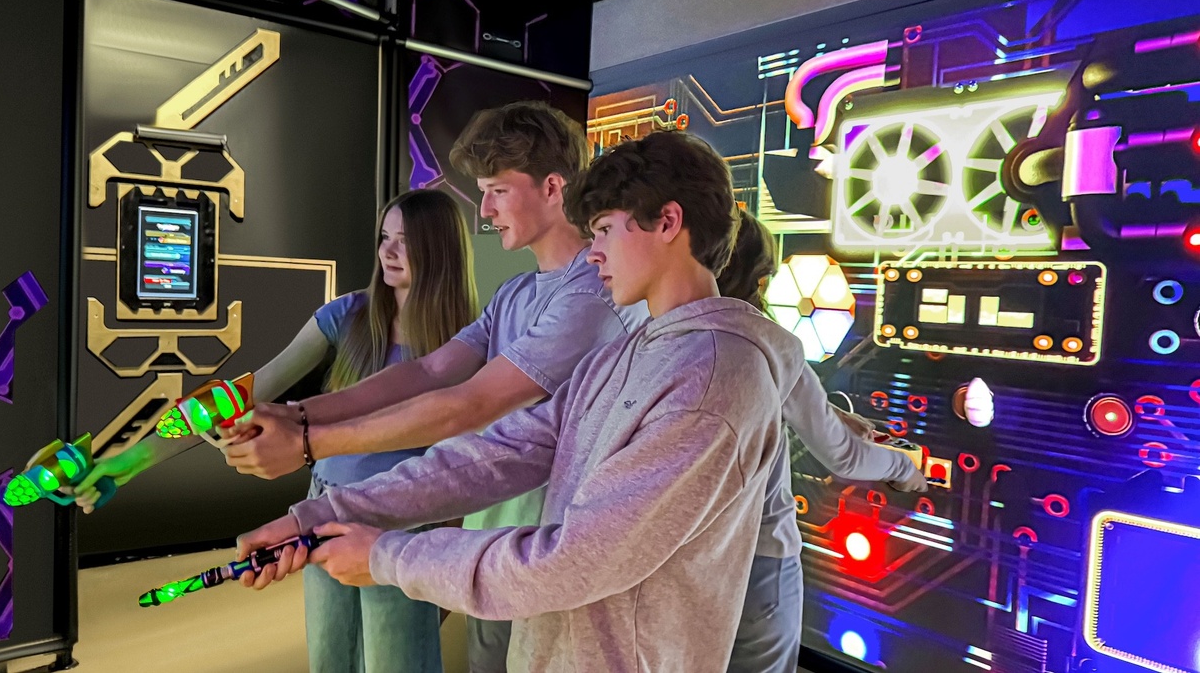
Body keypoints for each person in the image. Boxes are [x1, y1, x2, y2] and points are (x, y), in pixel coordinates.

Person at [233, 131, 926, 672]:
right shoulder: (626, 351)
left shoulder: (717, 377)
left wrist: (385, 556)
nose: (590, 254)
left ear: (667, 223)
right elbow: (500, 450)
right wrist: (322, 513)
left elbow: (573, 560)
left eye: (602, 230)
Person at [221, 100, 649, 672]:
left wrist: (306, 441)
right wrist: (300, 419)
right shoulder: (516, 293)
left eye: (497, 189)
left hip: (555, 544)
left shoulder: (590, 293)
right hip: (489, 532)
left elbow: (470, 404)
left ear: (553, 186)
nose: (486, 209)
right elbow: (429, 372)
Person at [74, 189, 478, 673]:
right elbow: (239, 395)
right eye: (384, 238)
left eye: (405, 241)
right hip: (323, 508)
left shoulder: (469, 341)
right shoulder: (347, 315)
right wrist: (129, 461)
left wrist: (451, 552)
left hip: (405, 522)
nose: (387, 252)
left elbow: (471, 460)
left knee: (399, 662)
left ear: (440, 248)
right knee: (330, 660)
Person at [717, 209, 926, 673]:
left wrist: (835, 415)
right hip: (762, 560)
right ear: (764, 277)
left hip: (706, 560)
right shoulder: (770, 341)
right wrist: (904, 470)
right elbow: (843, 456)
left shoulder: (684, 336)